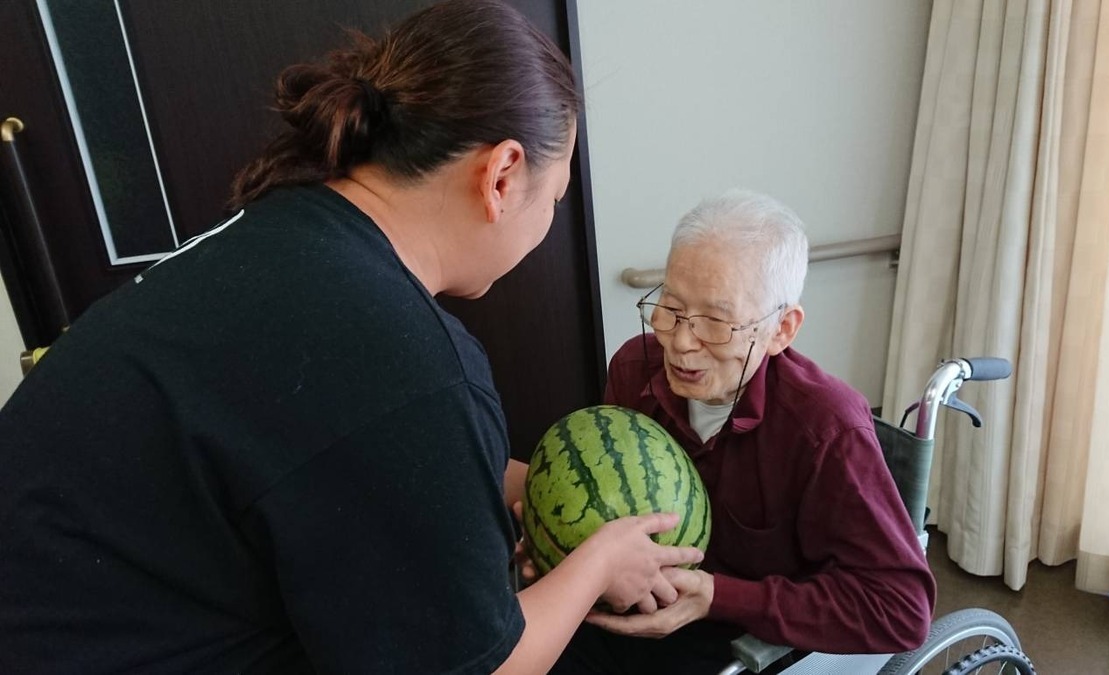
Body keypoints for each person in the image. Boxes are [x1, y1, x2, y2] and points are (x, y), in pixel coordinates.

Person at [0, 2, 702, 673]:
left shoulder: (289, 231)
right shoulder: (401, 357)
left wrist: (530, 485)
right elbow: (481, 666)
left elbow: (340, 445)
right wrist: (599, 562)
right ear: (502, 175)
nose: (547, 226)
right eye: (552, 201)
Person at [549, 190, 937, 674]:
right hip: (629, 605)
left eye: (716, 322)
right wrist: (557, 545)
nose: (681, 343)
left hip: (741, 642)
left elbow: (900, 609)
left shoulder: (826, 429)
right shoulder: (634, 367)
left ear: (782, 330)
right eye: (669, 307)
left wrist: (717, 596)